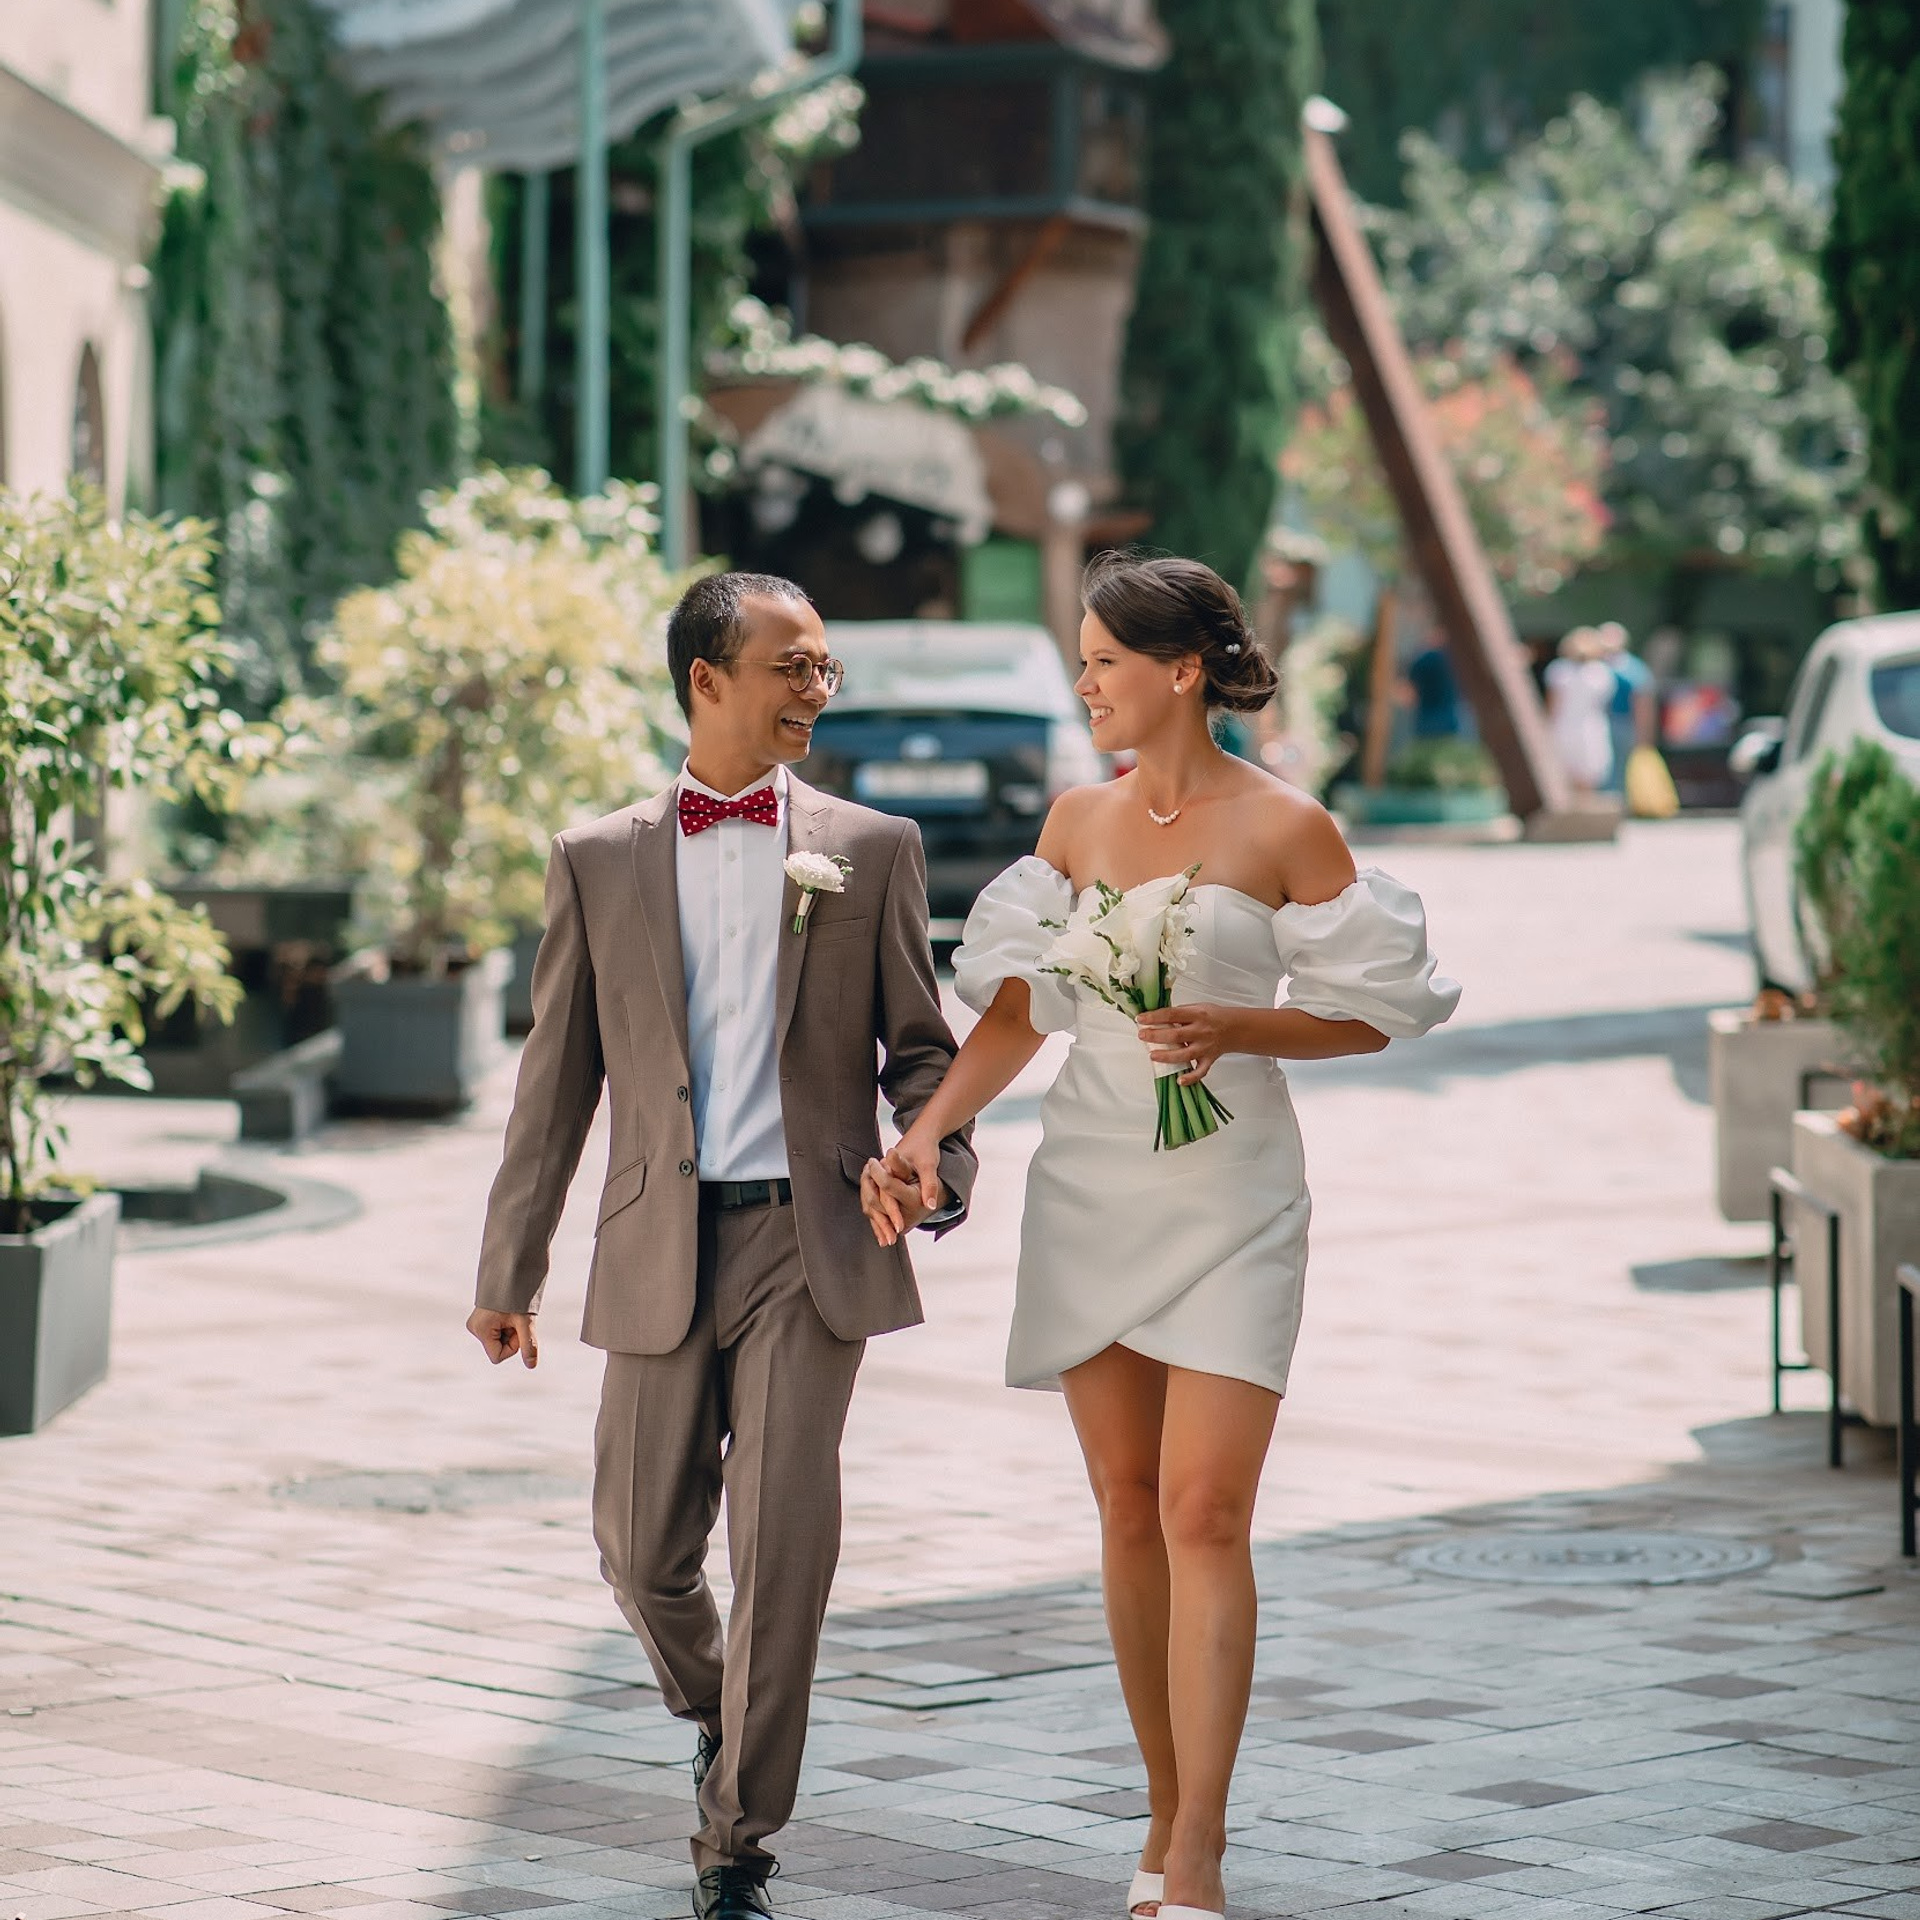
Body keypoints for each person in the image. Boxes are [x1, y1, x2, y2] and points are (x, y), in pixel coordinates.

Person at [860, 553, 1460, 1920]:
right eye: (1081, 662)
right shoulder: (1077, 819)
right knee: (1127, 1507)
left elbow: (1376, 1014)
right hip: (1092, 1181)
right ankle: (1160, 1806)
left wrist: (1240, 1025)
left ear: (1182, 671)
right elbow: (1023, 1010)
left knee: (1205, 1510)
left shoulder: (1289, 827)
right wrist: (930, 1130)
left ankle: (1201, 1849)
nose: (1084, 686)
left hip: (1234, 1190)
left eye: (1103, 663)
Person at [466, 572, 977, 1920]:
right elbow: (554, 1084)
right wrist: (509, 1272)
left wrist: (934, 1166)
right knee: (641, 1554)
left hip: (814, 1247)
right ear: (707, 680)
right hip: (658, 1244)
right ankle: (722, 1714)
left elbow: (925, 1054)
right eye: (791, 667)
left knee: (783, 1550)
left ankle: (735, 1848)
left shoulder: (873, 848)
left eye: (824, 668)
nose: (819, 690)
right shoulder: (598, 857)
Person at [1544, 625, 1617, 796]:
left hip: (1563, 727)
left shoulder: (1560, 670)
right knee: (1587, 780)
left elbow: (1552, 706)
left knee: (1563, 777)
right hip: (1591, 727)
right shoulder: (1602, 673)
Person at [1598, 621, 1657, 793]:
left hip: (1624, 724)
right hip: (1599, 724)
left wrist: (1644, 735)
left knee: (1621, 769)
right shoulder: (1597, 667)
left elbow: (1643, 703)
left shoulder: (1633, 668)